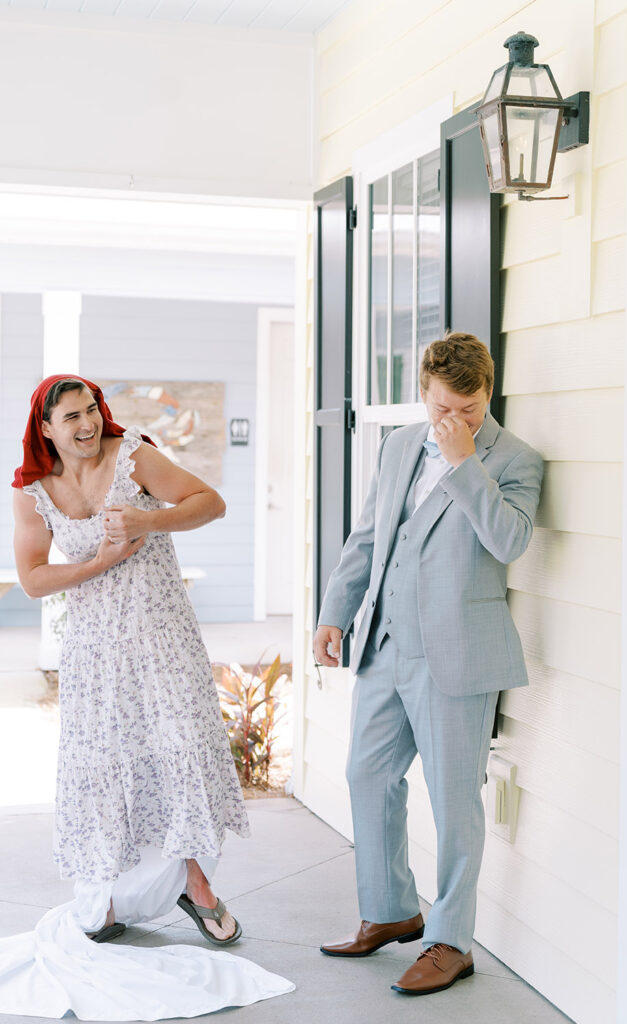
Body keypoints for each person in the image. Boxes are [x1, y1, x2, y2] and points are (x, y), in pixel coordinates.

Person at [1, 374, 294, 1020]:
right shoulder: (30, 492)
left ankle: (195, 883)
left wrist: (147, 519)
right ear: (44, 428)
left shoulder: (131, 454)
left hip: (160, 633)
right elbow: (32, 578)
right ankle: (104, 894)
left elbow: (210, 502)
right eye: (68, 417)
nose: (83, 425)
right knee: (104, 768)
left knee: (177, 751)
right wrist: (97, 565)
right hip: (95, 650)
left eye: (89, 411)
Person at [314, 333, 543, 996]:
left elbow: (508, 540)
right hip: (385, 646)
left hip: (458, 656)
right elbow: (367, 538)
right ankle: (390, 911)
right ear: (423, 393)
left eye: (467, 410)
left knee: (453, 804)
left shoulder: (515, 460)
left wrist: (464, 461)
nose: (452, 422)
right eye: (442, 408)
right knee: (366, 774)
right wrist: (336, 613)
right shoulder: (393, 447)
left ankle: (450, 940)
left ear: (486, 395)